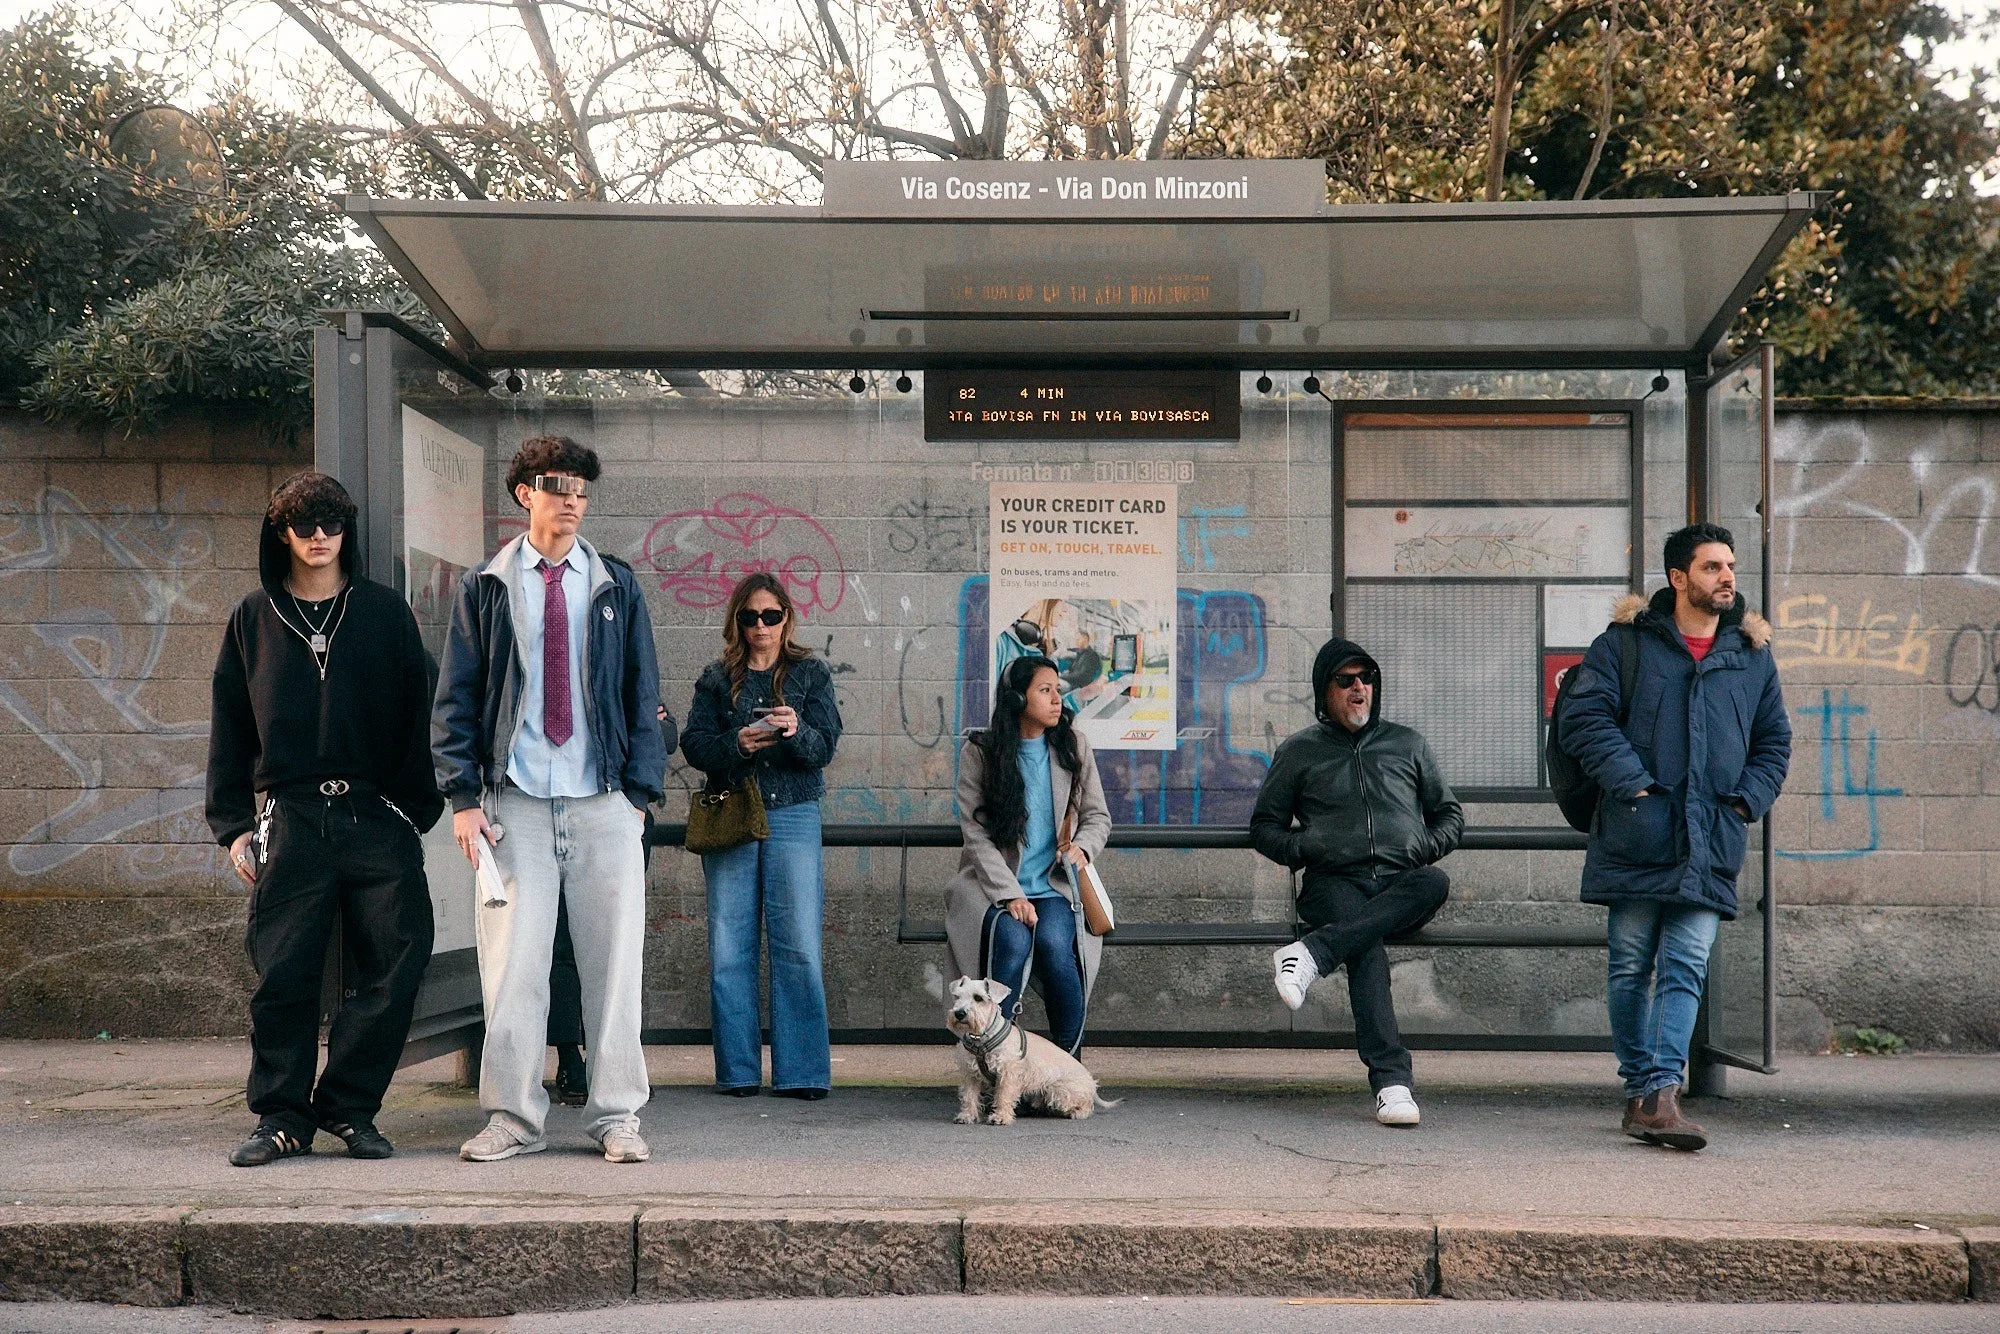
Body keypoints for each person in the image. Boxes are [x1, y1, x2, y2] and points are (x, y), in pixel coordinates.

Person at [433, 435, 667, 1163]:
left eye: (582, 489)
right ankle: (513, 1117)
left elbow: (644, 694)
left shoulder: (615, 584)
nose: (572, 498)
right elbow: (458, 699)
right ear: (523, 493)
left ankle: (618, 1117)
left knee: (614, 970)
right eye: (557, 484)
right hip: (517, 806)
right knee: (513, 973)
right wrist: (464, 799)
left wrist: (638, 796)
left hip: (603, 802)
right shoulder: (486, 586)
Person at [205, 471, 444, 1166]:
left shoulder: (383, 612)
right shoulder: (254, 617)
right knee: (284, 971)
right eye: (303, 525)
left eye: (330, 525)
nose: (317, 538)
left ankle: (347, 1105)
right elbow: (230, 723)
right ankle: (281, 1116)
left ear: (347, 532)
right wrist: (233, 824)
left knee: (402, 953)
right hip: (293, 813)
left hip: (374, 811)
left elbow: (417, 713)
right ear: (280, 532)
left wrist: (410, 810)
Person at [1559, 523, 1790, 1151]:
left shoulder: (1749, 654)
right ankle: (1640, 1091)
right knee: (1632, 967)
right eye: (1712, 567)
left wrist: (1745, 801)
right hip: (1639, 829)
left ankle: (1661, 1094)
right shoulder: (1625, 644)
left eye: (1731, 567)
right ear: (1678, 578)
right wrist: (1630, 782)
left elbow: (1774, 741)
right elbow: (1583, 716)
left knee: (1686, 964)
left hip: (1711, 835)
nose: (1727, 578)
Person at [1251, 637, 1462, 1127]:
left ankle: (1309, 955)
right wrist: (1307, 848)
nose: (1358, 688)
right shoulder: (1300, 751)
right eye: (1345, 680)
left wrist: (1420, 847)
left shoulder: (1406, 744)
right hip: (1334, 884)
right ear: (1325, 691)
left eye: (1366, 678)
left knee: (1434, 882)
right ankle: (1392, 1083)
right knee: (1366, 947)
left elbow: (1448, 814)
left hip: (1399, 882)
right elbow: (1265, 828)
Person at [682, 573, 843, 1098]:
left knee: (798, 944)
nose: (760, 627)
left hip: (793, 813)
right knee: (730, 946)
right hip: (733, 812)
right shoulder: (716, 676)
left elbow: (824, 748)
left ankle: (802, 1072)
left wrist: (794, 730)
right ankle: (738, 1072)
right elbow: (695, 745)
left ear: (786, 618)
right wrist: (739, 742)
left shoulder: (810, 674)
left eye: (770, 616)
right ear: (737, 620)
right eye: (750, 617)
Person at [946, 655, 1112, 1057]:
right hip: (993, 888)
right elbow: (975, 833)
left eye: (1058, 689)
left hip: (1053, 885)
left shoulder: (1073, 745)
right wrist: (1010, 894)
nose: (1057, 698)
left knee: (1058, 946)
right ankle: (995, 1063)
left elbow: (1098, 816)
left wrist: (1082, 848)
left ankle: (1067, 1066)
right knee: (1012, 941)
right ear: (1018, 698)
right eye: (1045, 690)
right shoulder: (982, 752)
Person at [545, 701, 677, 1109]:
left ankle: (616, 1067)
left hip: (622, 816)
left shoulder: (626, 666)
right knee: (563, 945)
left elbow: (666, 735)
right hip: (557, 812)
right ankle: (569, 1057)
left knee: (616, 947)